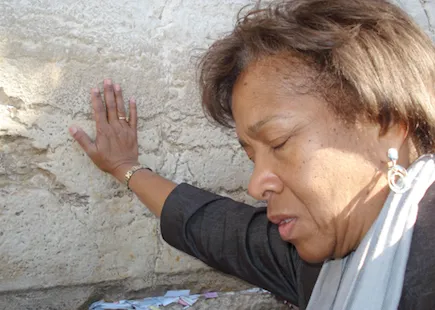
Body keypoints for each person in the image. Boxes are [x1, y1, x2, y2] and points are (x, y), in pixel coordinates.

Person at [68, 0, 435, 309]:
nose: (257, 184)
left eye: (278, 142)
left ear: (385, 121)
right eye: (251, 156)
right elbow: (214, 226)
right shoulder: (320, 259)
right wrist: (124, 168)